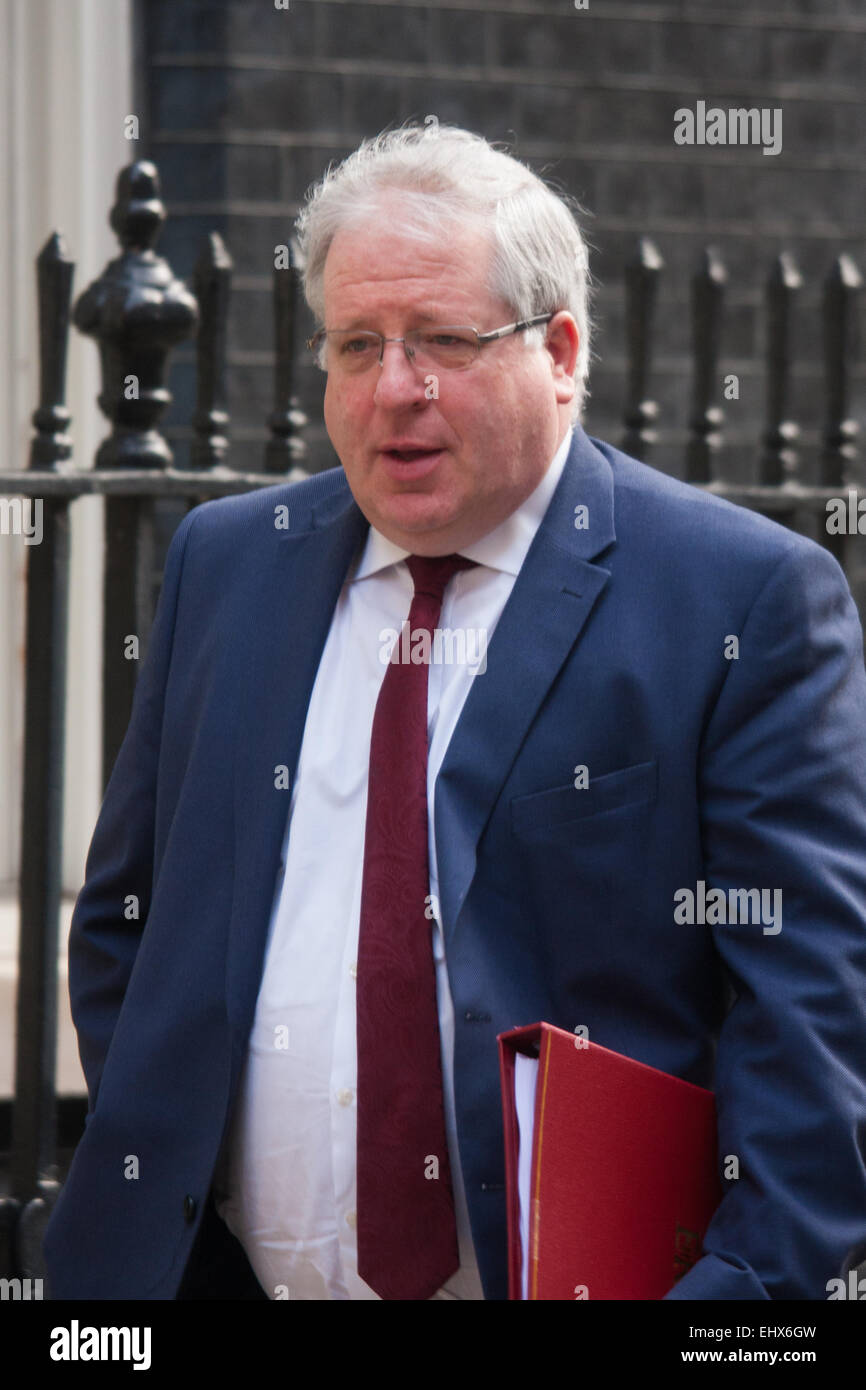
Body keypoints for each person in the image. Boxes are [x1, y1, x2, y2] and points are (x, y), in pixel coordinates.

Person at [43, 123, 866, 1301]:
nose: (392, 391)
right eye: (355, 343)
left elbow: (813, 1020)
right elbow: (128, 923)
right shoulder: (227, 565)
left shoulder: (740, 599)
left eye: (441, 341)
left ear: (562, 349)